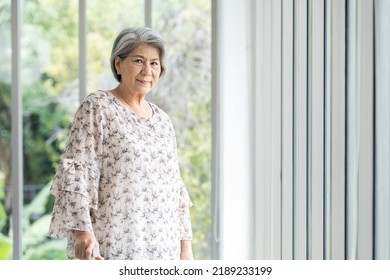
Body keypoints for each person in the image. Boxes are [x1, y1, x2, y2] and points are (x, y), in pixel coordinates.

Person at [48, 27, 194, 260]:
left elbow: (175, 189)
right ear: (118, 64)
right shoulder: (98, 107)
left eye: (154, 63)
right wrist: (83, 232)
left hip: (164, 248)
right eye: (138, 61)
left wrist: (185, 249)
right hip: (117, 243)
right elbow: (76, 171)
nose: (147, 71)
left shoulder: (163, 121)